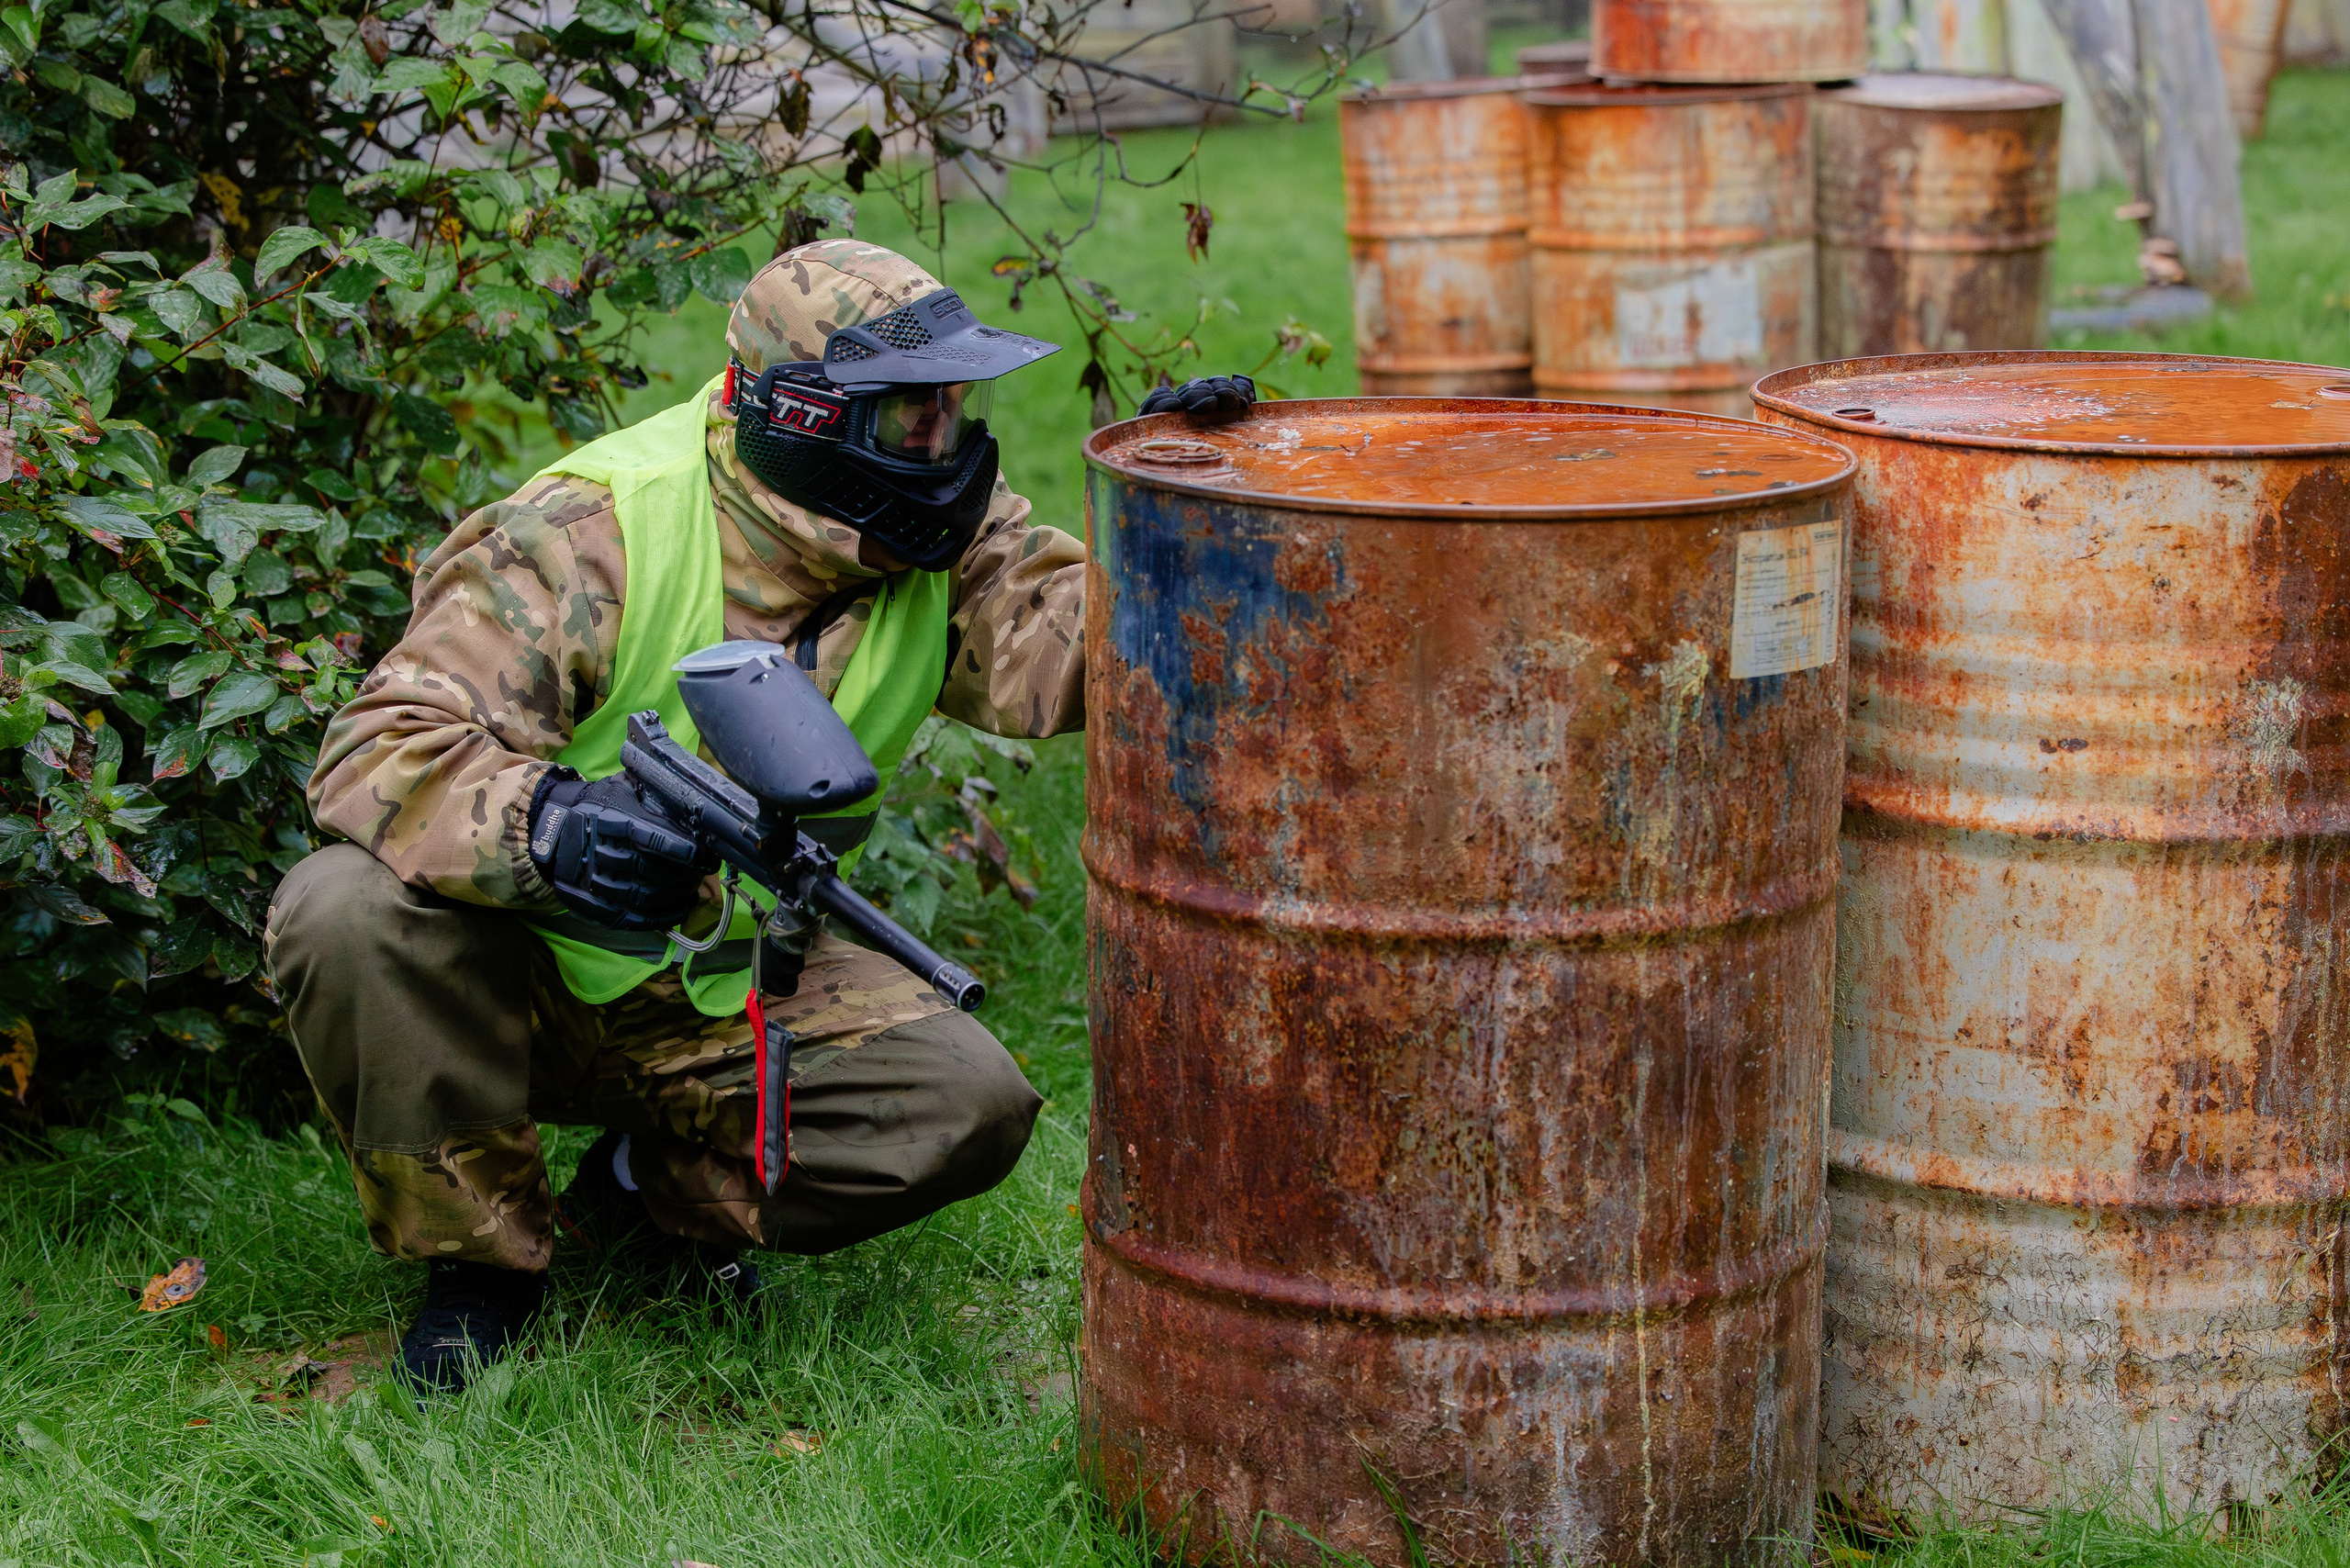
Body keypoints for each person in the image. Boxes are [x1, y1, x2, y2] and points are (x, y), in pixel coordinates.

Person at [263, 239, 1257, 1392]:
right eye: (909, 417)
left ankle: (636, 1203)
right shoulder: (592, 533)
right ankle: (477, 1267)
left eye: (951, 407)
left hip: (732, 982)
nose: (942, 444)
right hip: (519, 976)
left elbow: (1089, 654)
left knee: (964, 1107)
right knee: (340, 909)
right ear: (805, 416)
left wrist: (1182, 507)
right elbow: (376, 747)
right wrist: (550, 826)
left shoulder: (942, 543)